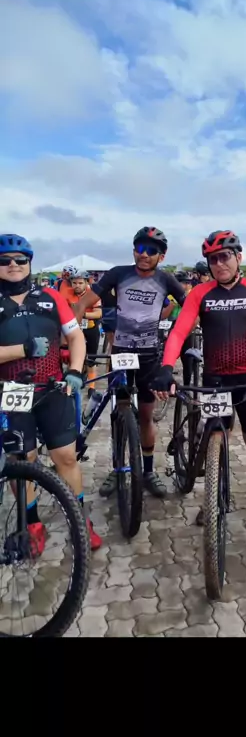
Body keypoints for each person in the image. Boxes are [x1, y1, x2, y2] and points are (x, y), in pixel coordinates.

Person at [153, 229, 246, 538]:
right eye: (213, 260)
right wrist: (166, 366)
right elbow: (179, 331)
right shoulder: (201, 293)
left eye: (224, 257)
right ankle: (213, 499)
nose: (219, 264)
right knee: (215, 437)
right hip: (215, 380)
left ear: (238, 258)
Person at [0, 234, 101, 551]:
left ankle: (79, 520)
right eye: (5, 260)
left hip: (53, 386)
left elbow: (76, 337)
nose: (13, 265)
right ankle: (31, 523)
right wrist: (22, 350)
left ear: (29, 263)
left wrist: (75, 371)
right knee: (23, 459)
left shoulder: (50, 296)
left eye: (20, 260)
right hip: (12, 391)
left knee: (66, 457)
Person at [74, 227, 186, 499]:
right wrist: (71, 336)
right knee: (118, 415)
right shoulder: (118, 274)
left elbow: (190, 308)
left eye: (151, 250)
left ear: (161, 256)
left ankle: (147, 470)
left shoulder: (166, 279)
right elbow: (83, 303)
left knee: (146, 415)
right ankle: (117, 468)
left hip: (149, 356)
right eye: (139, 248)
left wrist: (184, 333)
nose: (144, 254)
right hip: (121, 353)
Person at [65, 271, 102, 395]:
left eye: (80, 283)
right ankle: (73, 382)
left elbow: (98, 313)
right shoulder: (66, 294)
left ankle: (91, 387)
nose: (77, 285)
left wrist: (81, 313)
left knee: (91, 359)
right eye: (74, 283)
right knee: (72, 358)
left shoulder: (93, 294)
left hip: (90, 328)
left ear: (86, 283)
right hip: (73, 329)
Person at [161, 271, 196, 385]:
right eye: (184, 283)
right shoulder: (168, 297)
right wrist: (171, 305)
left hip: (187, 330)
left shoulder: (193, 295)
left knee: (188, 360)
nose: (187, 285)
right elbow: (163, 316)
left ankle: (187, 386)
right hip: (171, 327)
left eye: (189, 283)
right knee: (166, 358)